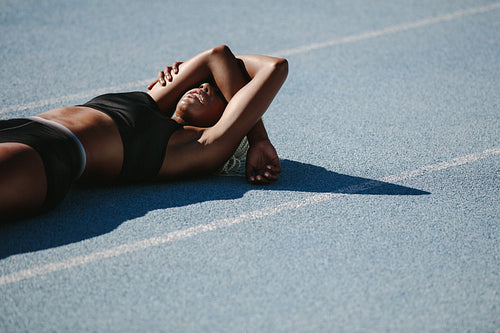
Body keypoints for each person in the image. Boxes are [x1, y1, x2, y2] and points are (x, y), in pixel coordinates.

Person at [0, 45, 288, 220]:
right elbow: (218, 55)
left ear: (230, 115)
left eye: (216, 93)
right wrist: (199, 71)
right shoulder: (151, 103)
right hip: (16, 126)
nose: (203, 86)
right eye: (203, 83)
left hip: (45, 153)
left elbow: (275, 67)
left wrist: (257, 138)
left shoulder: (197, 146)